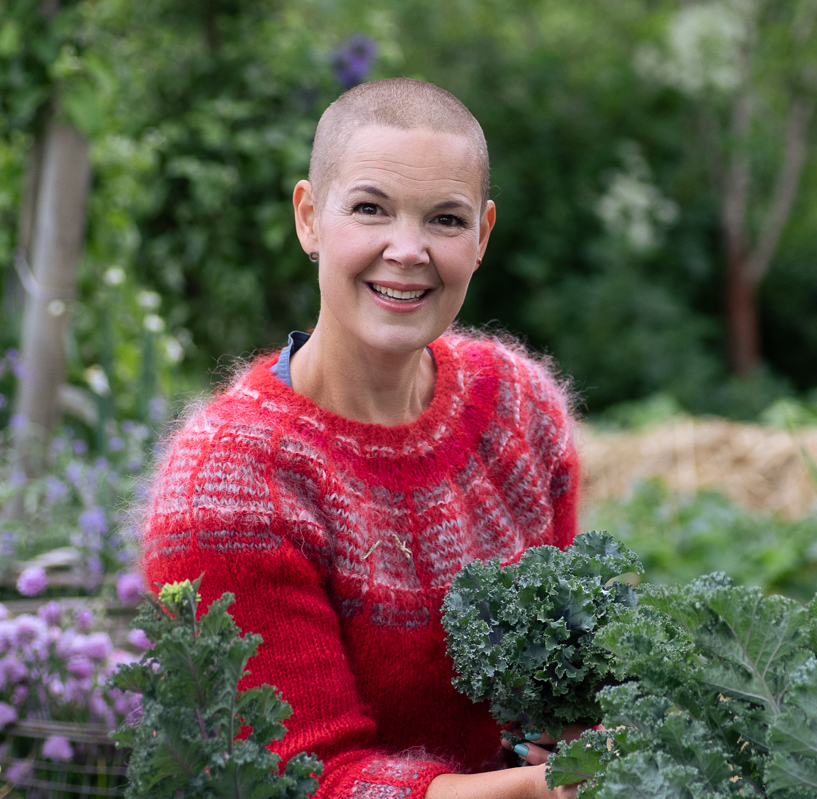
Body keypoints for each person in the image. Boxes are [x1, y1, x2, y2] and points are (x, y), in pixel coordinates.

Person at [140, 78, 583, 799]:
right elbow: (309, 780)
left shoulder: (516, 407)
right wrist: (546, 787)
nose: (407, 250)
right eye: (370, 208)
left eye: (445, 219)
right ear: (309, 218)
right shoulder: (227, 484)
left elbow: (570, 675)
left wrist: (588, 734)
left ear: (482, 236)